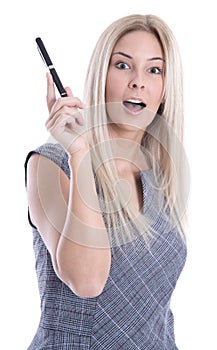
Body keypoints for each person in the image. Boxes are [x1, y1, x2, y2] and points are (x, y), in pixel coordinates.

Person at [25, 13, 188, 349]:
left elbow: (156, 317)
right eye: (123, 65)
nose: (138, 82)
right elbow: (86, 281)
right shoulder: (51, 164)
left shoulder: (161, 174)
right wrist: (80, 153)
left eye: (154, 69)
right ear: (102, 73)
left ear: (165, 89)